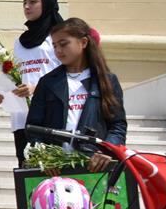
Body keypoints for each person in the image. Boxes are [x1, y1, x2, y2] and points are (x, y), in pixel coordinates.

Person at [26, 17, 127, 173]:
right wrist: (44, 157)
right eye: (54, 45)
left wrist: (106, 152)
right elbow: (33, 128)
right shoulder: (47, 82)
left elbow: (117, 126)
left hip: (94, 168)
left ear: (84, 43)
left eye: (64, 44)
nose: (58, 50)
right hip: (56, 170)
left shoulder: (106, 81)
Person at [0, 0, 62, 167]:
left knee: (51, 169)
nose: (27, 7)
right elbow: (17, 78)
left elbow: (66, 75)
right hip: (23, 116)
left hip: (50, 113)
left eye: (33, 2)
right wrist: (3, 96)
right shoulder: (20, 42)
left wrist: (36, 89)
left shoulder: (58, 37)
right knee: (26, 169)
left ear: (47, 4)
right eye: (24, 3)